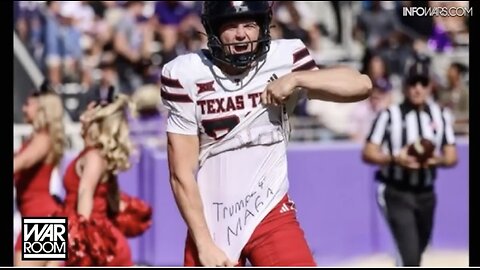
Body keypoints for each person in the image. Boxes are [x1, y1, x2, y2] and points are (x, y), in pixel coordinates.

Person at [161, 1, 372, 267]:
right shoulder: (187, 73)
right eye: (231, 25)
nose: (242, 34)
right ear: (213, 30)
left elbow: (361, 85)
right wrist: (203, 243)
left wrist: (297, 79)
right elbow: (181, 173)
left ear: (262, 26)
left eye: (250, 24)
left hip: (270, 211)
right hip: (212, 221)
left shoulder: (285, 59)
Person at [361, 60, 458, 266]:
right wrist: (396, 159)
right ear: (406, 86)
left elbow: (451, 156)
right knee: (410, 256)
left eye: (423, 83)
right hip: (397, 191)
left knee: (419, 248)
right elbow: (368, 152)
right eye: (413, 83)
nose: (418, 89)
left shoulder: (440, 116)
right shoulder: (389, 115)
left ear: (430, 86)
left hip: (426, 193)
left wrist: (434, 160)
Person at [53, 88, 149, 266]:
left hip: (85, 232)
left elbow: (85, 193)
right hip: (59, 220)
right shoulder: (90, 154)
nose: (84, 112)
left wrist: (81, 236)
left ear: (96, 121)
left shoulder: (95, 156)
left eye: (89, 110)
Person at [13, 81, 67, 266]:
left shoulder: (43, 138)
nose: (23, 108)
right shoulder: (37, 138)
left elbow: (21, 163)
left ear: (41, 109)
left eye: (28, 104)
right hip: (40, 219)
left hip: (41, 221)